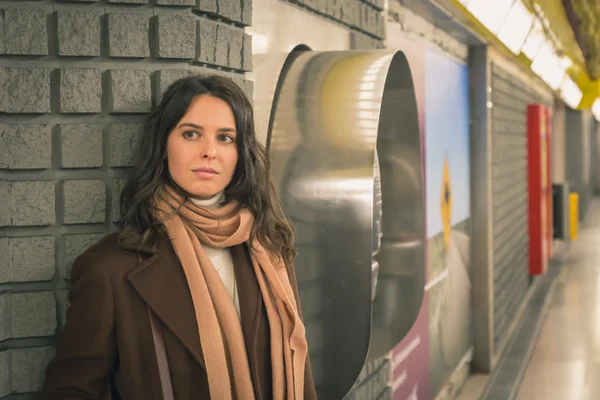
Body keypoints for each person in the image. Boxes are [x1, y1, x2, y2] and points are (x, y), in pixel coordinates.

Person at [41, 75, 316, 400]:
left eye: (225, 138)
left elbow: (300, 371)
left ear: (240, 153)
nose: (209, 152)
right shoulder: (109, 269)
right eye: (191, 134)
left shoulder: (267, 249)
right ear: (163, 147)